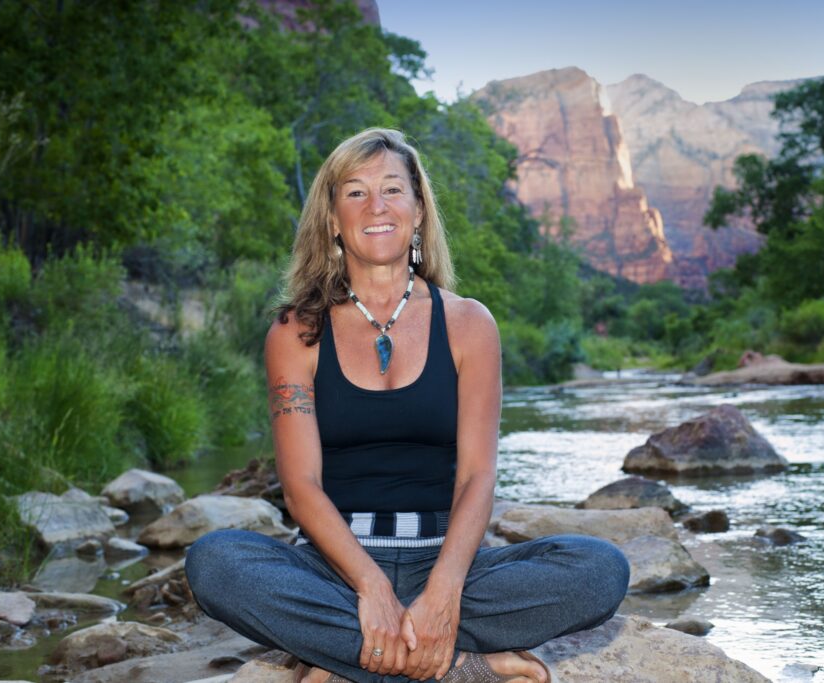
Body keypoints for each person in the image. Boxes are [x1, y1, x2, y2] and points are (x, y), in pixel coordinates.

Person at [185, 128, 630, 683]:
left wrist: (443, 593)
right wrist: (371, 588)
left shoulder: (469, 324)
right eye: (355, 192)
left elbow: (477, 476)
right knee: (214, 562)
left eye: (393, 189)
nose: (376, 206)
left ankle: (343, 658)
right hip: (333, 569)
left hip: (446, 560)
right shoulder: (297, 331)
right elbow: (300, 487)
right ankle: (461, 666)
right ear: (332, 219)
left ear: (418, 211)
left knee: (600, 570)